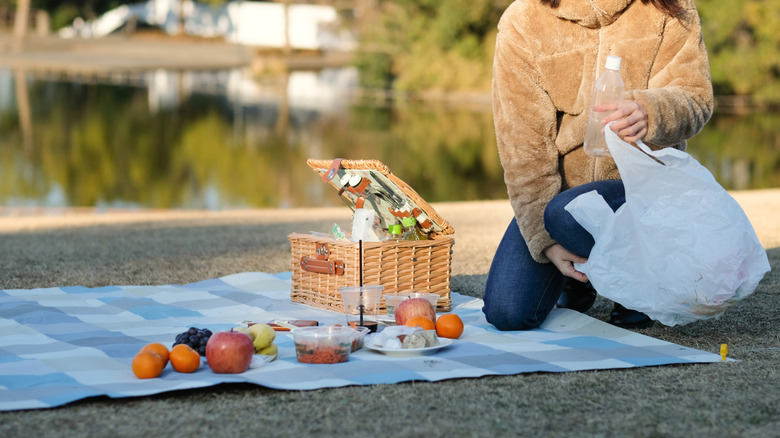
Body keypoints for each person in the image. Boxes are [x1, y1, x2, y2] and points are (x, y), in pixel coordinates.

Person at [482, 0, 714, 330]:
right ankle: (582, 274)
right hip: (557, 204)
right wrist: (544, 240)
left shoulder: (670, 9)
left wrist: (652, 111)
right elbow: (522, 147)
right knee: (507, 312)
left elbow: (695, 98)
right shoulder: (523, 19)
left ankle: (637, 275)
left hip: (640, 191)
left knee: (565, 213)